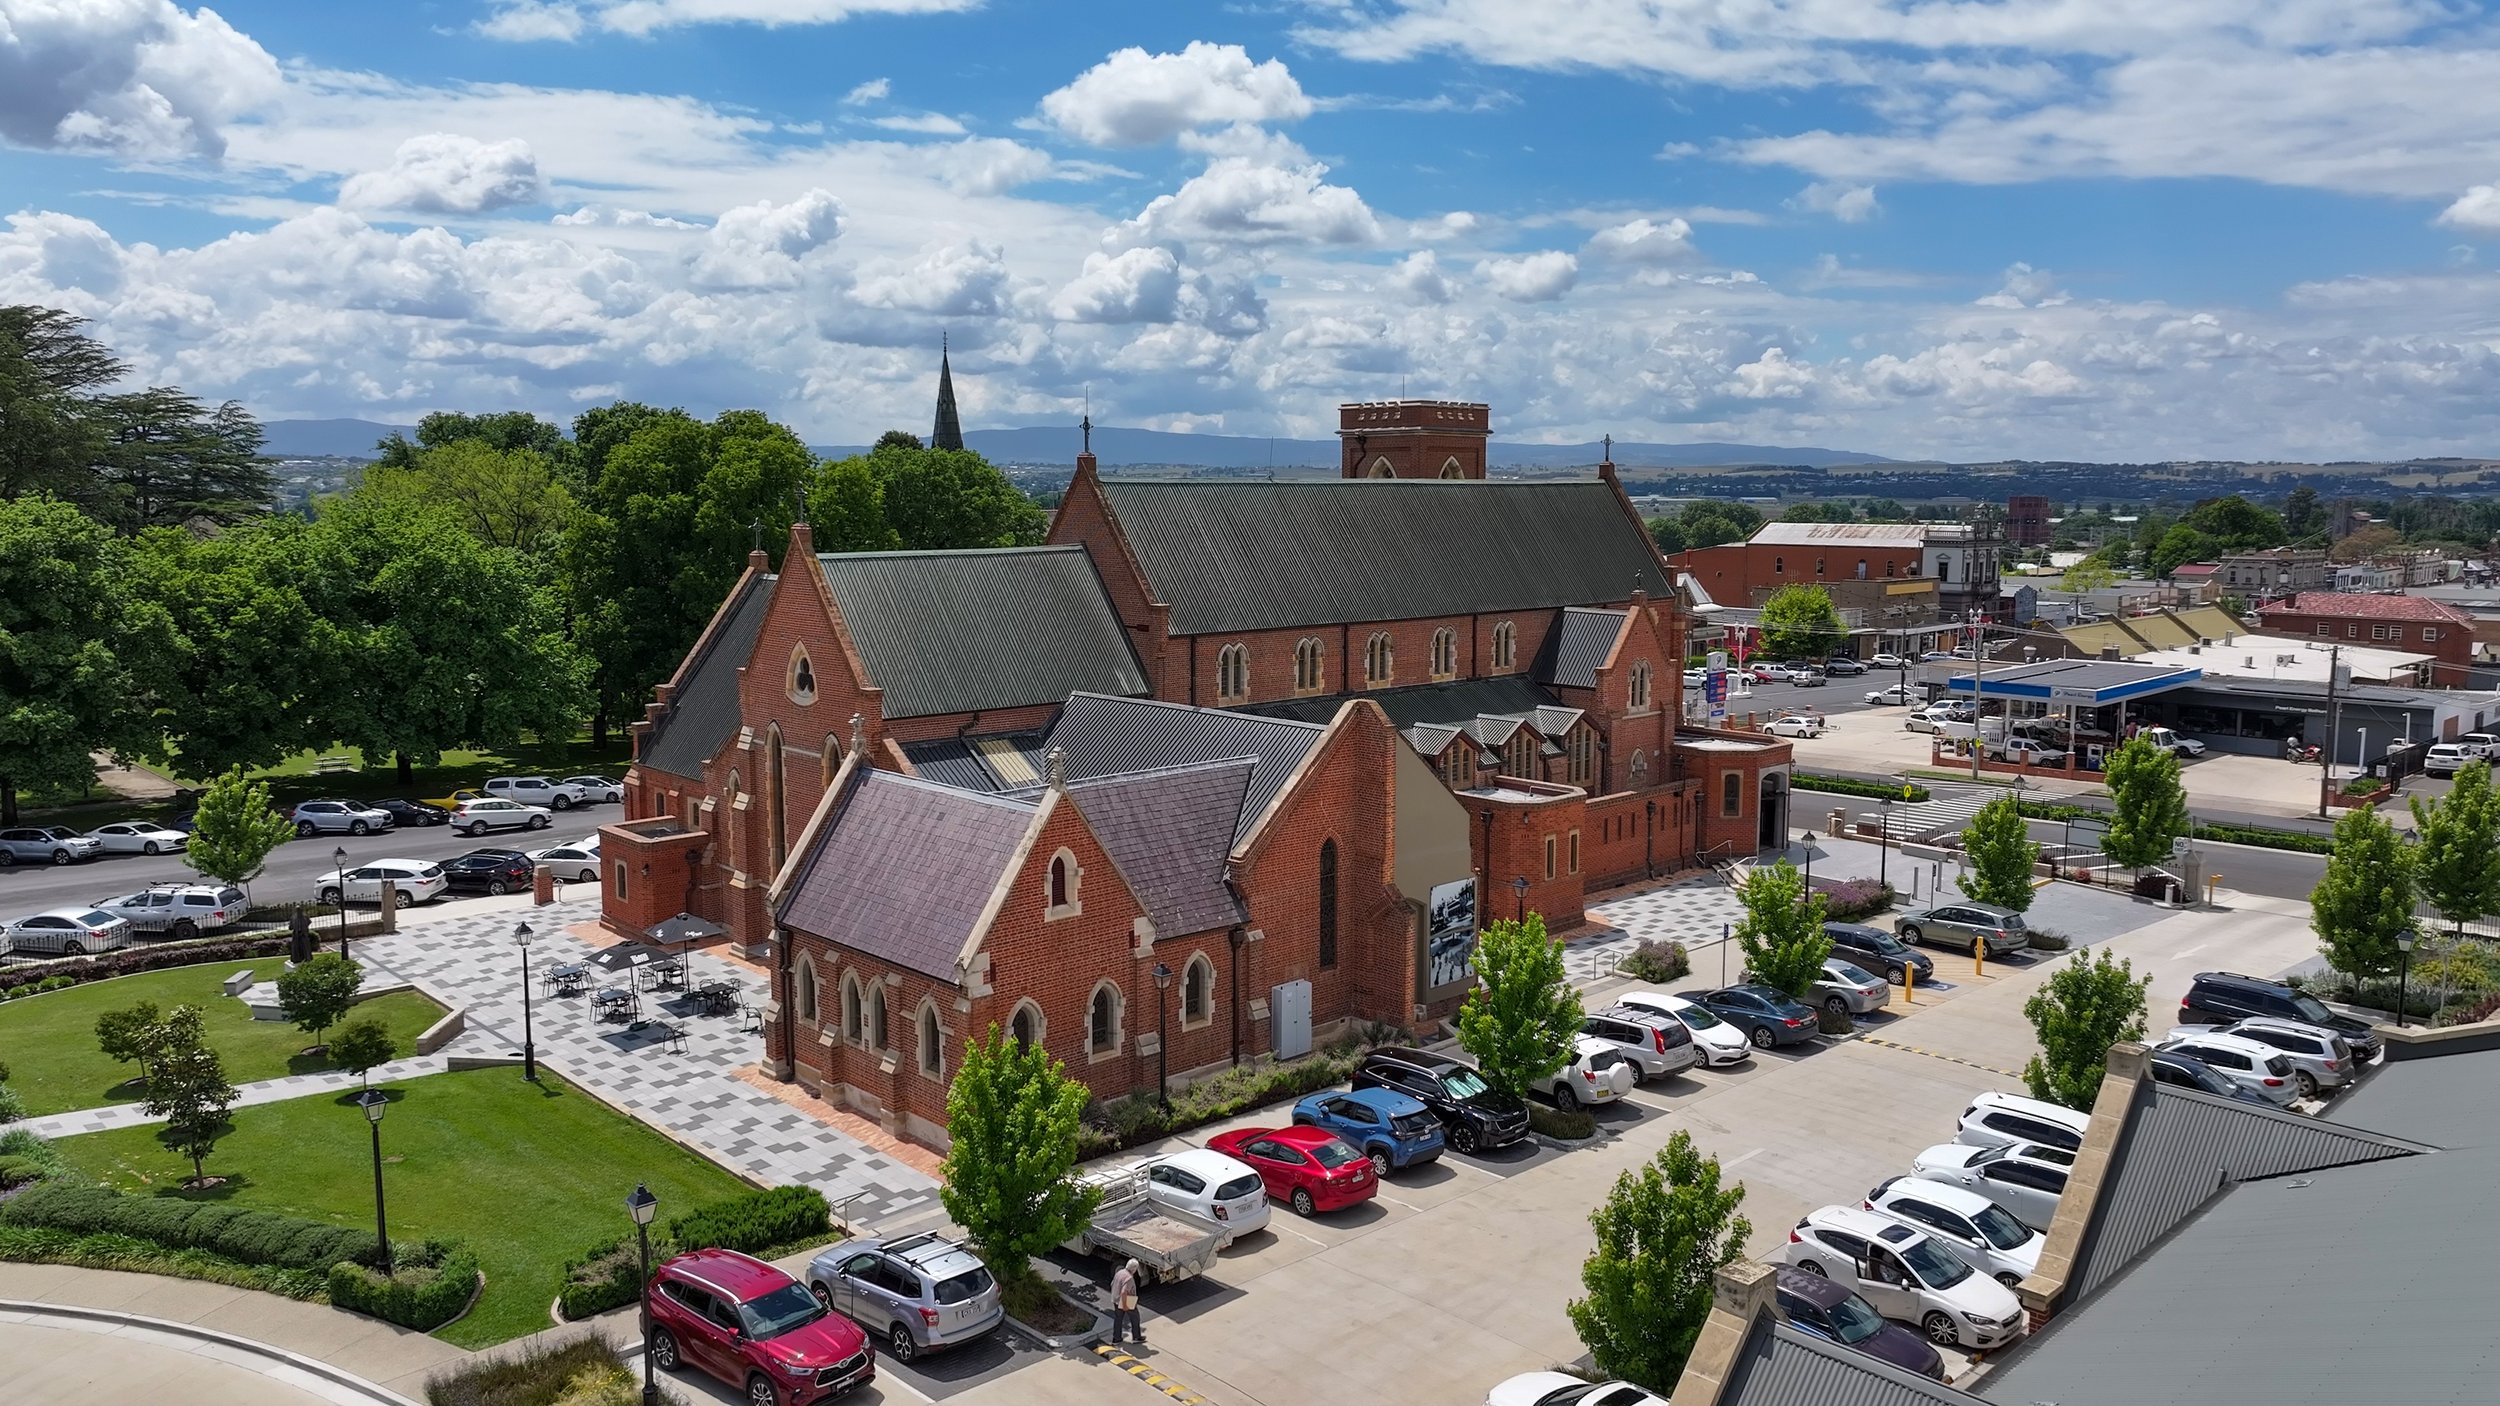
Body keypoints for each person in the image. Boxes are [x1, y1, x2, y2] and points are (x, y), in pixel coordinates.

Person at [1108, 1258, 1143, 1346]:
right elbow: (1124, 1292)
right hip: (1127, 1301)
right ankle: (1136, 1337)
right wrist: (1125, 1305)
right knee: (1135, 1317)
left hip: (1115, 1299)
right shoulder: (1129, 1278)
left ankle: (1116, 1338)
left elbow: (1112, 1284)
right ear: (1134, 1269)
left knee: (1118, 1319)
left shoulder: (1119, 1272)